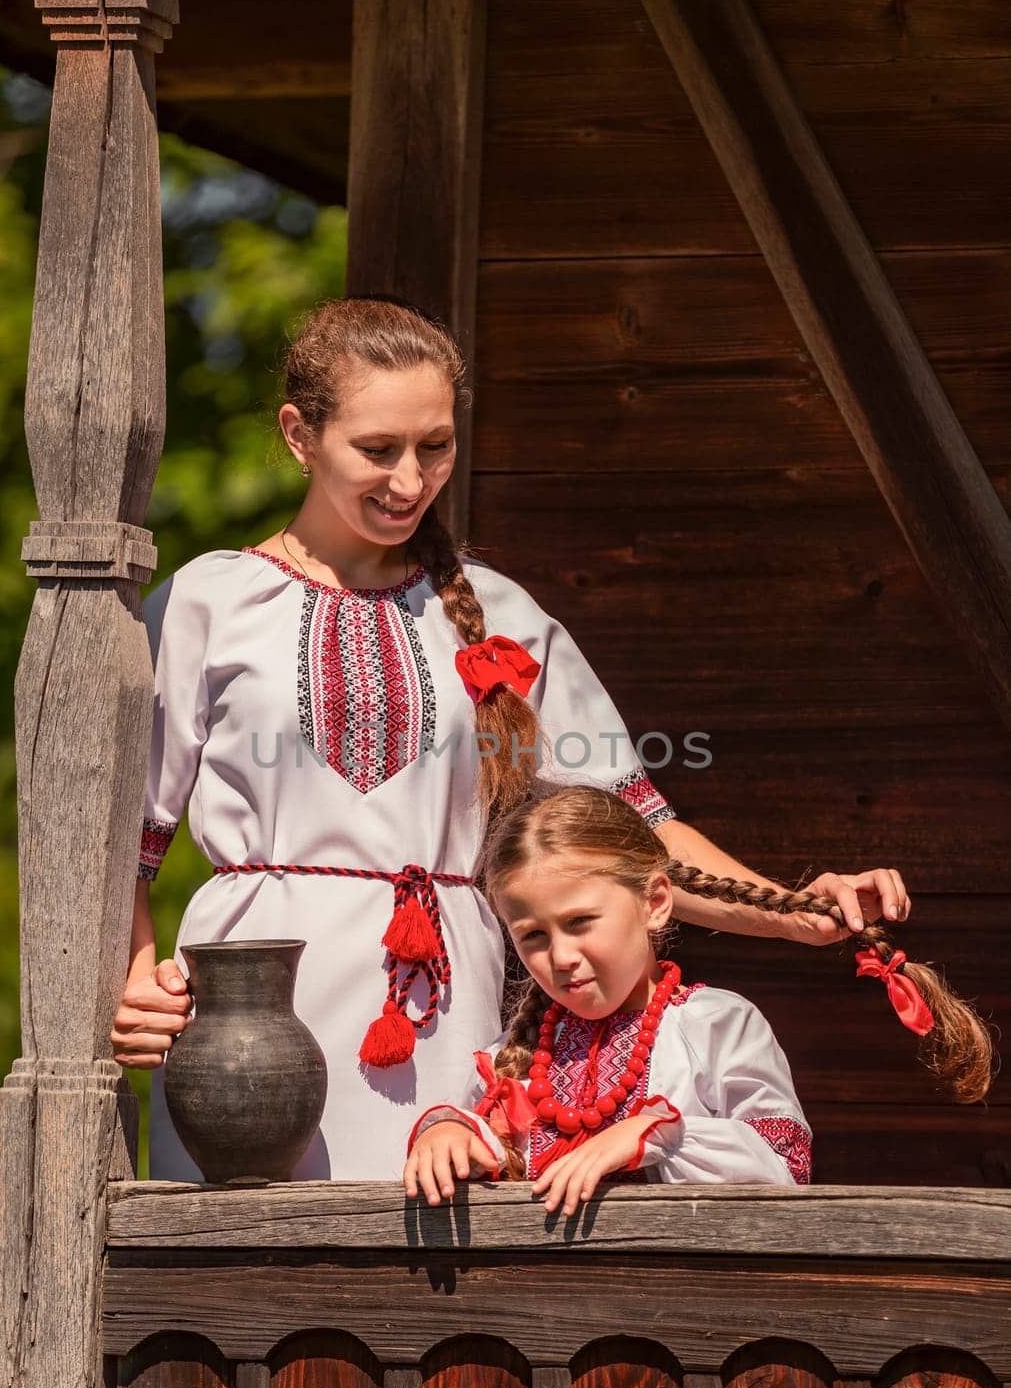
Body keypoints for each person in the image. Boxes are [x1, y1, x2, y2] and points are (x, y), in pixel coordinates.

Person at [111, 296, 919, 1182]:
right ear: (301, 435)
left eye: (435, 446)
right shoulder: (207, 603)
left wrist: (796, 912)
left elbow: (632, 835)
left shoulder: (501, 614)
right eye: (377, 450)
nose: (410, 481)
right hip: (249, 1010)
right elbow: (121, 851)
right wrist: (135, 978)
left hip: (446, 1006)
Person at [403, 786, 992, 1213]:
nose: (559, 956)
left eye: (581, 922)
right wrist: (447, 1133)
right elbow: (490, 1132)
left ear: (657, 902)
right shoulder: (524, 1050)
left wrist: (652, 1135)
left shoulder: (716, 1024)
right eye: (533, 935)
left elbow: (784, 1163)